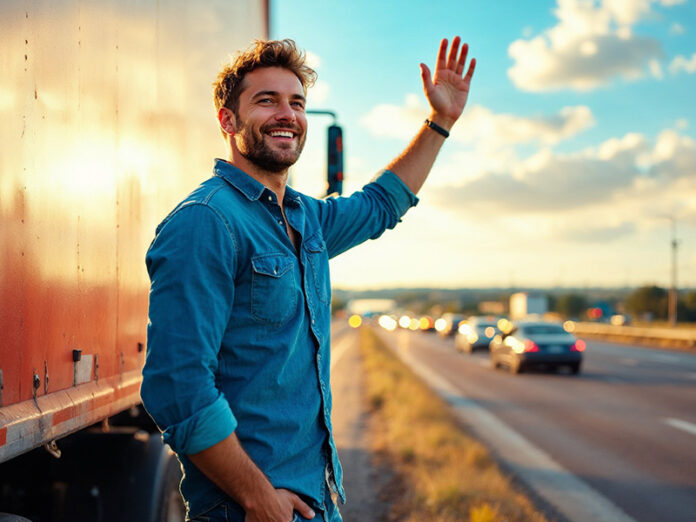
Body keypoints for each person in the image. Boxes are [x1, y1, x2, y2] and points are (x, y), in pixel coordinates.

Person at [141, 36, 475, 522]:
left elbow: (382, 204)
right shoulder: (206, 222)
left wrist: (440, 122)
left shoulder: (305, 219)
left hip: (313, 501)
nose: (287, 114)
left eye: (296, 103)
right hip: (249, 509)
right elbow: (176, 387)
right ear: (227, 121)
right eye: (266, 100)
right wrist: (259, 499)